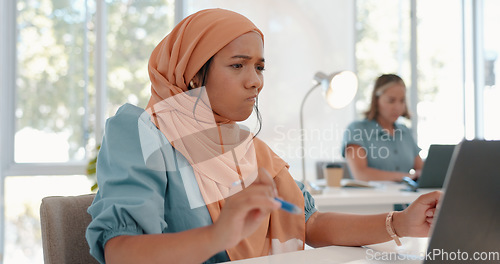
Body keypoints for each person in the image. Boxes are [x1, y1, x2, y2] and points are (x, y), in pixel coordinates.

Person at [86, 9, 439, 264]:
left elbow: (310, 223)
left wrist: (401, 222)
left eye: (259, 66)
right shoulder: (141, 131)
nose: (255, 80)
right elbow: (121, 251)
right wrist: (217, 237)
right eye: (238, 65)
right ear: (194, 75)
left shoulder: (251, 150)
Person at [342, 74, 424, 182]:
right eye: (391, 101)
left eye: (402, 101)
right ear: (376, 100)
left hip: (406, 198)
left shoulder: (405, 132)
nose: (398, 107)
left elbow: (424, 172)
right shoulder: (357, 130)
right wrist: (405, 177)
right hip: (373, 198)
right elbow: (361, 174)